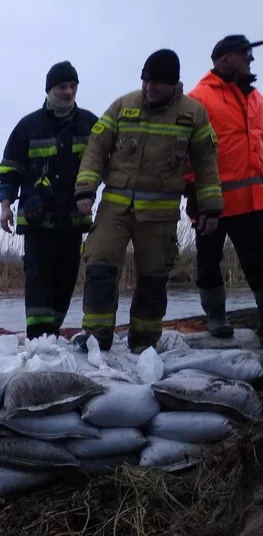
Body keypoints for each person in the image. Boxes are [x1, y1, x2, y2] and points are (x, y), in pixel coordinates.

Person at [72, 49, 223, 353]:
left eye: (157, 82)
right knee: (100, 264)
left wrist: (210, 207)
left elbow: (207, 162)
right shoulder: (123, 105)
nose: (149, 87)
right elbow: (96, 148)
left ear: (173, 84)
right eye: (146, 80)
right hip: (115, 208)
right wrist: (85, 189)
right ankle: (97, 335)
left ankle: (143, 341)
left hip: (160, 215)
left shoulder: (192, 114)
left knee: (153, 277)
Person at [0, 61, 99, 339]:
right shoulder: (28, 127)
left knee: (65, 282)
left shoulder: (91, 124)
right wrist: (6, 206)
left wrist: (91, 193)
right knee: (38, 281)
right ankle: (37, 340)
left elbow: (106, 163)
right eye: (62, 87)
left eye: (73, 86)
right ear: (50, 90)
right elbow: (9, 171)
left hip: (73, 220)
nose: (68, 92)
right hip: (36, 220)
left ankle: (52, 334)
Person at [184, 34, 263, 338]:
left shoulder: (255, 98)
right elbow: (187, 151)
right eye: (245, 55)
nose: (250, 60)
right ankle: (216, 318)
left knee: (258, 261)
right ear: (225, 58)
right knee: (208, 262)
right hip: (211, 202)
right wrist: (191, 191)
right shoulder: (198, 98)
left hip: (253, 201)